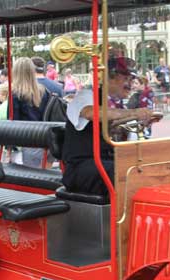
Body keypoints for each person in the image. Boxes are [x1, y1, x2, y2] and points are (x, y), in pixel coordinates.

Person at [62, 56, 156, 196]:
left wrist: (138, 120)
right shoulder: (86, 96)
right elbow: (91, 113)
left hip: (105, 162)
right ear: (110, 77)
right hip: (81, 168)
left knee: (147, 165)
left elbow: (112, 125)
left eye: (131, 80)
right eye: (127, 79)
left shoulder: (116, 104)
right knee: (124, 171)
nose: (130, 84)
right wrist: (135, 113)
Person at [11, 57, 52, 167]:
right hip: (45, 139)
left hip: (27, 140)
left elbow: (12, 121)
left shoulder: (16, 94)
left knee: (31, 178)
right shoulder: (44, 91)